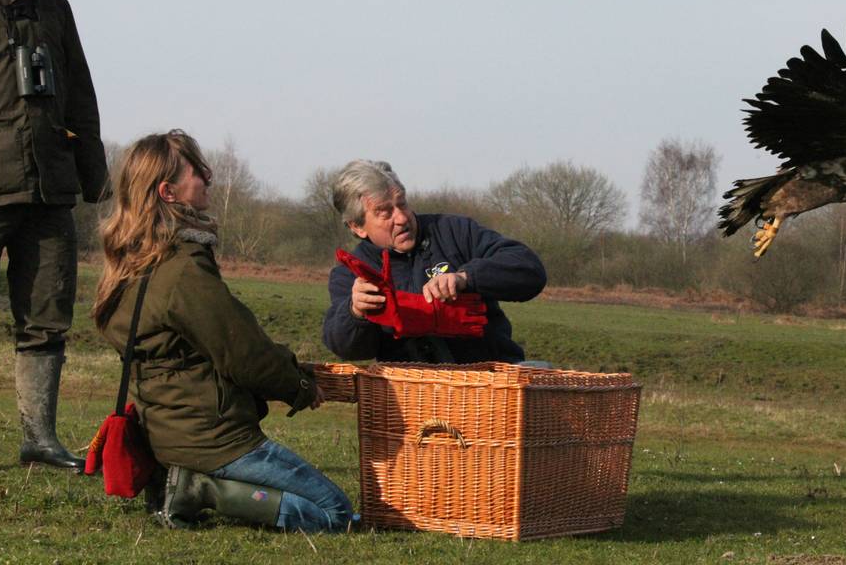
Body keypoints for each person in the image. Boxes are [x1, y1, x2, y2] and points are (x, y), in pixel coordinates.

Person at [92, 131, 352, 532]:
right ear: (169, 192)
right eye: (197, 169)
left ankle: (183, 483)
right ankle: (202, 491)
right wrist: (299, 385)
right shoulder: (182, 270)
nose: (208, 176)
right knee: (338, 515)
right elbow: (243, 354)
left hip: (167, 436)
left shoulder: (131, 266)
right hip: (212, 439)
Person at [0, 0, 108, 471]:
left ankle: (39, 439)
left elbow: (80, 95)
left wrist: (95, 179)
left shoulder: (54, 6)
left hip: (48, 190)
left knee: (46, 319)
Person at [322, 160, 547, 364]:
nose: (401, 218)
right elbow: (347, 348)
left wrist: (466, 277)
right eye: (385, 212)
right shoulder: (351, 273)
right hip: (415, 397)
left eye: (402, 204)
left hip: (490, 386)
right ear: (357, 227)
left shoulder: (455, 232)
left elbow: (529, 269)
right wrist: (356, 313)